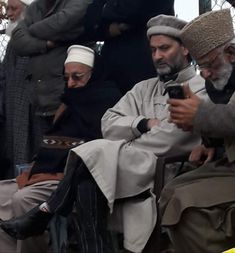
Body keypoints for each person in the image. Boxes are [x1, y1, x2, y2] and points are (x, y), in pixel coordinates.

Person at [0, 15, 207, 253]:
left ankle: (47, 209)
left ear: (186, 50)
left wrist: (122, 144)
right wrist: (142, 124)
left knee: (97, 153)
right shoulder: (143, 88)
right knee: (90, 174)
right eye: (153, 50)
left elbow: (174, 137)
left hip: (162, 171)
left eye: (165, 48)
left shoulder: (201, 90)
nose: (157, 56)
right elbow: (108, 124)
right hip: (118, 169)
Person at [0, 45, 122, 253]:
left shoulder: (107, 100)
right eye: (67, 79)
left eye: (77, 77)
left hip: (73, 178)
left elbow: (97, 146)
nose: (72, 84)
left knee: (23, 200)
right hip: (44, 175)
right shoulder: (68, 102)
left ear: (94, 74)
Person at [158, 9, 235, 253]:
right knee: (170, 192)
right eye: (200, 66)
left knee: (185, 205)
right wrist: (206, 138)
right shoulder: (221, 84)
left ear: (231, 53)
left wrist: (200, 115)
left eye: (210, 64)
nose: (205, 74)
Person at [8, 0, 94, 171]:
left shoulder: (77, 2)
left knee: (68, 157)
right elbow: (17, 40)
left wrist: (31, 30)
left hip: (68, 99)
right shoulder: (35, 8)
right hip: (40, 100)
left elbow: (63, 24)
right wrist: (46, 43)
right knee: (43, 157)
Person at [83, 0, 175, 94]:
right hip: (111, 72)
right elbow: (90, 22)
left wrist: (106, 8)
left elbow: (136, 10)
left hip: (145, 65)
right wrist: (117, 27)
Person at [0, 0, 34, 178]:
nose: (8, 14)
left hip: (30, 114)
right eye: (7, 9)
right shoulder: (14, 43)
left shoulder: (33, 41)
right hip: (11, 113)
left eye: (14, 8)